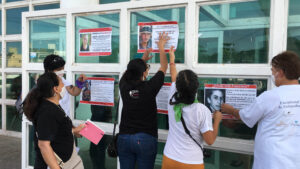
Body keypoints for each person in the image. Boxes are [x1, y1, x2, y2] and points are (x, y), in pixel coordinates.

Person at [221, 51, 300, 169]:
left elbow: (245, 116)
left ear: (281, 73)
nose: (272, 75)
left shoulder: (270, 96)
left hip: (272, 161)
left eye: (273, 71)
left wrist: (230, 110)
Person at [161, 46, 222, 169]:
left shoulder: (172, 98)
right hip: (192, 163)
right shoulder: (201, 110)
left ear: (178, 87)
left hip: (169, 158)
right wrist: (217, 120)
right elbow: (209, 140)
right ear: (196, 87)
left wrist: (172, 58)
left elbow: (173, 75)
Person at [117, 32, 169, 169]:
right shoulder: (149, 87)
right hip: (145, 138)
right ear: (144, 73)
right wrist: (161, 47)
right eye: (147, 69)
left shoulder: (123, 85)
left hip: (124, 138)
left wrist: (142, 60)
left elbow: (129, 71)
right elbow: (164, 66)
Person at [23, 72, 85, 169]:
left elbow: (55, 130)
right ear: (56, 89)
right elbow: (43, 144)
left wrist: (73, 130)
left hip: (68, 161)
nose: (65, 85)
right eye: (62, 83)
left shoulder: (53, 105)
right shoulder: (47, 111)